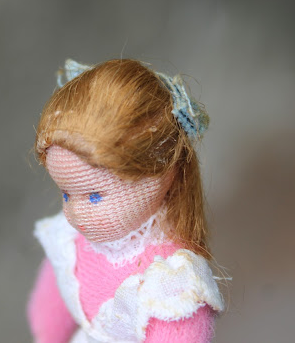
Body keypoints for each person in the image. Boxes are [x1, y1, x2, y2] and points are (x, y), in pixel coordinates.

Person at [27, 59, 224, 342]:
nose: (75, 214)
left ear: (158, 174)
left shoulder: (170, 285)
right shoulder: (71, 238)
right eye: (66, 194)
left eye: (94, 196)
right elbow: (50, 307)